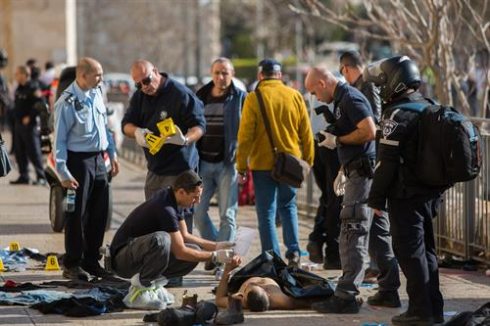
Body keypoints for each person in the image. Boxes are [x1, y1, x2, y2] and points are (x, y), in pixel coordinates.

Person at [364, 55, 446, 325]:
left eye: (384, 82)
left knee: (410, 253)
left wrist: (375, 198)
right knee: (427, 252)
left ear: (396, 82)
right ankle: (433, 308)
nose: (381, 88)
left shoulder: (397, 113)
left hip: (405, 196)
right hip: (430, 193)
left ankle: (420, 312)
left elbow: (386, 163)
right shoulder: (428, 104)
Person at [304, 67, 376, 314]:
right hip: (355, 170)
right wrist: (342, 167)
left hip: (362, 173)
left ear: (323, 83)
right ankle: (389, 289)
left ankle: (346, 295)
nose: (315, 97)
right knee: (377, 233)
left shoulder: (351, 98)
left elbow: (369, 131)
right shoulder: (341, 100)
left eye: (314, 91)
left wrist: (339, 141)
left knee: (352, 230)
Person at [110, 170, 235, 308]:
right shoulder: (166, 208)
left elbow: (185, 236)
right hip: (122, 260)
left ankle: (154, 286)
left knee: (194, 252)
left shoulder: (174, 198)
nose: (198, 201)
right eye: (195, 197)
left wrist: (218, 246)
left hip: (137, 254)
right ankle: (141, 291)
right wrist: (215, 257)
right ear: (181, 192)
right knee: (162, 240)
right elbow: (180, 251)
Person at [236, 59, 314, 268]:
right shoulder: (294, 96)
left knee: (266, 213)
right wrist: (308, 161)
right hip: (290, 164)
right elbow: (306, 133)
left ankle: (272, 258)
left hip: (262, 165)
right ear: (279, 75)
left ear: (260, 76)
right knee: (289, 207)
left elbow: (245, 137)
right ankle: (294, 252)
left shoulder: (254, 97)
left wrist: (241, 166)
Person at [339, 51, 401, 307]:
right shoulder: (361, 86)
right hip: (369, 166)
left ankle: (387, 286)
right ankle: (388, 287)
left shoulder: (366, 87)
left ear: (346, 68)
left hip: (370, 168)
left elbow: (374, 128)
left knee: (371, 224)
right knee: (375, 227)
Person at [53, 57, 119, 280]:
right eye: (97, 74)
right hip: (77, 162)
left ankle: (92, 260)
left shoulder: (96, 94)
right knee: (75, 213)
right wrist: (63, 172)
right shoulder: (67, 102)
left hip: (98, 159)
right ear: (82, 76)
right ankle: (72, 262)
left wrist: (112, 154)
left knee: (99, 212)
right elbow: (59, 140)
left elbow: (105, 129)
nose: (101, 78)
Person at [121, 59, 205, 201]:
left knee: (180, 220)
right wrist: (137, 132)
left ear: (155, 71)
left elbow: (199, 126)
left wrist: (185, 139)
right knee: (154, 220)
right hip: (155, 170)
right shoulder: (139, 96)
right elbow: (126, 124)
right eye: (138, 84)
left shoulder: (180, 94)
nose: (144, 87)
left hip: (181, 170)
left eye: (146, 80)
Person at [194, 58, 246, 271]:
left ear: (232, 74)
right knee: (197, 212)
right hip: (203, 163)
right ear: (211, 73)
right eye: (217, 73)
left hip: (228, 164)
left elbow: (246, 130)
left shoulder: (240, 98)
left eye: (225, 73)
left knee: (228, 214)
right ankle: (217, 251)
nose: (220, 77)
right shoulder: (201, 96)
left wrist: (244, 162)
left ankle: (222, 263)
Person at [306, 102, 342, 270]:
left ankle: (317, 237)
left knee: (328, 197)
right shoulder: (341, 86)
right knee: (336, 198)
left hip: (317, 141)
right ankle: (332, 253)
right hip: (331, 143)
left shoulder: (323, 90)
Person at [215, 256, 312, 311]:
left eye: (251, 286)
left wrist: (227, 270)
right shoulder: (282, 300)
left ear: (243, 296)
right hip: (273, 274)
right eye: (261, 287)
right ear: (267, 292)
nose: (258, 283)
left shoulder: (241, 300)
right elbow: (308, 300)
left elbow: (219, 299)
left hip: (249, 273)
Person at [9, 66, 47, 185]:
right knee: (20, 152)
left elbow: (41, 104)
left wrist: (30, 116)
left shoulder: (33, 87)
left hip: (30, 126)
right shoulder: (19, 88)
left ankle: (41, 176)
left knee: (34, 151)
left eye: (17, 74)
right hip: (18, 124)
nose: (16, 76)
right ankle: (24, 175)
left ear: (25, 75)